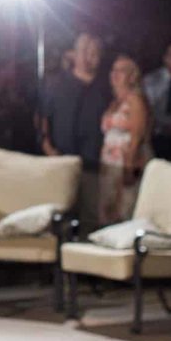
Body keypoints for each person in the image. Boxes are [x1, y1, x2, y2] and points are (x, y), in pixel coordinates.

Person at [39, 32, 110, 230]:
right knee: (59, 218)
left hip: (94, 166)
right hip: (61, 161)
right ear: (73, 54)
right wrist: (48, 148)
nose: (88, 57)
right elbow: (43, 118)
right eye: (84, 51)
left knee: (91, 219)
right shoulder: (55, 84)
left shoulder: (106, 88)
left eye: (94, 52)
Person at [98, 55, 152, 226]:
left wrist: (129, 167)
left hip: (127, 164)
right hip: (110, 165)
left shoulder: (136, 100)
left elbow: (137, 136)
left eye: (121, 70)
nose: (115, 74)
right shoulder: (114, 102)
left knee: (124, 212)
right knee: (107, 213)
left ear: (131, 75)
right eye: (113, 70)